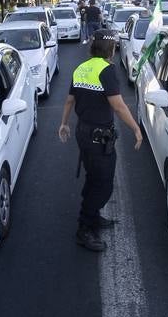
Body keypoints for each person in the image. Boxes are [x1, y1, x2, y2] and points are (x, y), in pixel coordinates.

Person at [58, 30, 143, 252]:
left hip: (83, 133)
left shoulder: (81, 68)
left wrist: (64, 124)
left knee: (93, 177)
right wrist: (136, 129)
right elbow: (118, 105)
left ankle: (93, 216)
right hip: (98, 137)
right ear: (111, 49)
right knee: (103, 185)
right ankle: (84, 228)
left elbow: (69, 100)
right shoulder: (107, 70)